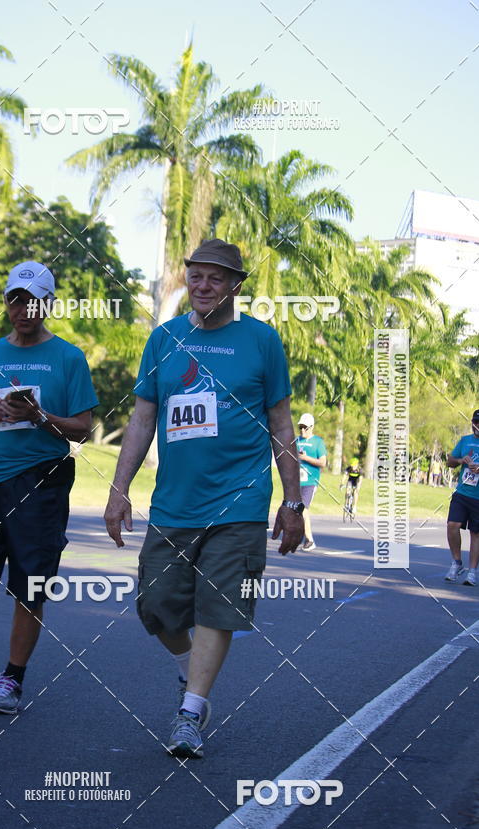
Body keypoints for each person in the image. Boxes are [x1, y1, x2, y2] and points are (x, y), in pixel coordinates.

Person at [104, 238, 304, 759]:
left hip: (240, 502)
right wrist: (119, 489)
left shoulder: (261, 341)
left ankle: (191, 712)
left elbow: (282, 424)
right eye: (196, 276)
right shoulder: (164, 339)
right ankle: (190, 670)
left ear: (237, 285)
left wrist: (293, 501)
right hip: (173, 504)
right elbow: (142, 417)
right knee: (157, 609)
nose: (204, 285)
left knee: (219, 607)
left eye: (217, 277)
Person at [0, 261, 98, 713]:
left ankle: (12, 678)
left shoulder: (69, 357)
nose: (23, 308)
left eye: (33, 300)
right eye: (15, 299)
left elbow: (82, 430)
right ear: (6, 302)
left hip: (40, 482)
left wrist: (38, 416)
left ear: (48, 303)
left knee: (29, 586)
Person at [444, 409, 479, 586]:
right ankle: (456, 563)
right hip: (462, 492)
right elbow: (450, 461)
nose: (478, 426)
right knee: (452, 525)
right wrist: (461, 460)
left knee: (476, 533)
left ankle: (472, 572)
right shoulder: (465, 440)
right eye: (476, 422)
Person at [295, 412, 327, 550]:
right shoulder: (296, 441)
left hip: (310, 482)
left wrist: (306, 458)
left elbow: (323, 463)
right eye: (300, 427)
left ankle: (310, 540)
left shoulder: (318, 442)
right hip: (296, 482)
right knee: (295, 510)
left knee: (303, 509)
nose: (302, 430)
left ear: (311, 427)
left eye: (305, 427)